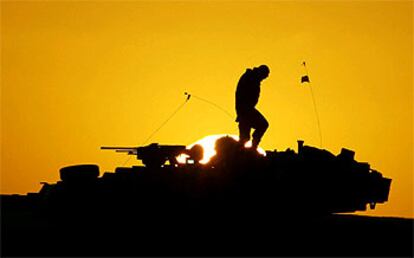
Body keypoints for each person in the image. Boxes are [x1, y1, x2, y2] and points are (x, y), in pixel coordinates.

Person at [235, 65, 270, 149]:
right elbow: (240, 94)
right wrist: (242, 112)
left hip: (246, 110)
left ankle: (250, 148)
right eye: (263, 76)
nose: (263, 79)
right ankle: (251, 148)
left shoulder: (252, 78)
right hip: (246, 110)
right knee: (262, 125)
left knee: (245, 137)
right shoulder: (250, 78)